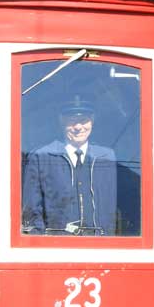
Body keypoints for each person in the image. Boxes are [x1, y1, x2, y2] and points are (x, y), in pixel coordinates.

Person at [22, 95, 117, 234]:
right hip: (57, 246)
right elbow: (31, 209)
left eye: (84, 120)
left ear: (92, 121)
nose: (78, 127)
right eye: (72, 121)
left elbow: (112, 205)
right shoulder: (42, 156)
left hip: (99, 246)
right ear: (62, 121)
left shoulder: (106, 157)